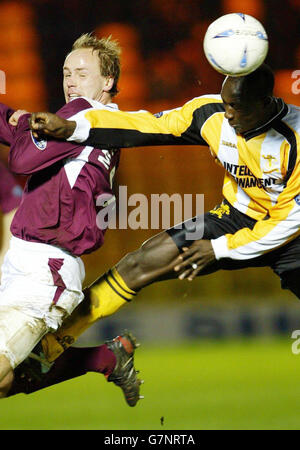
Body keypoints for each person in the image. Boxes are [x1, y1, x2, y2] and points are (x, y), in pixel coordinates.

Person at [26, 63, 300, 362]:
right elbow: (148, 126)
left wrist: (220, 248)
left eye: (237, 107)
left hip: (291, 234)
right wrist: (74, 128)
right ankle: (48, 348)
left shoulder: (295, 137)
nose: (229, 114)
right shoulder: (210, 114)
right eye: (225, 104)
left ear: (265, 103)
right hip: (237, 216)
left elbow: (289, 220)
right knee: (141, 261)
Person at [0, 33, 143, 407]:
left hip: (44, 269)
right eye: (66, 73)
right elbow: (24, 134)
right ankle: (105, 358)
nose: (70, 83)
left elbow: (21, 160)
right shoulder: (97, 125)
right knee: (8, 381)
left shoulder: (84, 112)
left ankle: (100, 359)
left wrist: (24, 127)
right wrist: (19, 122)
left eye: (81, 73)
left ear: (108, 81)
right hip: (29, 262)